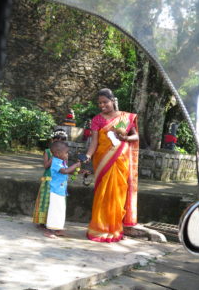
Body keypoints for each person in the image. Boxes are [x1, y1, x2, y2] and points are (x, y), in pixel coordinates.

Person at [85, 88, 139, 243]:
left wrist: (125, 138)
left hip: (120, 160)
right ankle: (99, 229)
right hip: (103, 161)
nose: (102, 105)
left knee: (118, 193)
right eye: (100, 103)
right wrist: (88, 156)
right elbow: (94, 142)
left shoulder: (124, 117)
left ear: (113, 101)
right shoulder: (97, 119)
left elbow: (135, 136)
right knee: (102, 195)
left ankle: (114, 229)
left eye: (105, 102)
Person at [44, 141, 81, 238]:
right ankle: (49, 230)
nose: (67, 154)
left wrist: (80, 171)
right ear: (57, 153)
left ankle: (58, 228)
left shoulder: (61, 162)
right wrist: (75, 165)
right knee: (54, 210)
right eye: (66, 152)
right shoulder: (55, 162)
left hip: (61, 190)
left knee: (60, 210)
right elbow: (64, 171)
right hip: (56, 190)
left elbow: (68, 171)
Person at [32, 129, 68, 228]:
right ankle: (42, 221)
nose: (59, 143)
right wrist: (53, 158)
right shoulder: (48, 151)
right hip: (48, 179)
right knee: (45, 199)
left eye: (62, 141)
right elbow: (46, 166)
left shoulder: (64, 153)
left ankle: (53, 221)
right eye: (57, 141)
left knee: (56, 201)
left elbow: (65, 167)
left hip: (58, 181)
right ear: (53, 140)